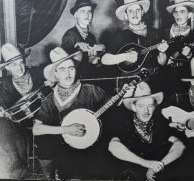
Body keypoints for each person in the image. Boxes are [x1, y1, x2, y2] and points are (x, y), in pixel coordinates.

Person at [32, 47, 126, 179]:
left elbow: (115, 105)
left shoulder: (91, 90)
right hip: (65, 147)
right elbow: (36, 129)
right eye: (62, 69)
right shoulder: (50, 99)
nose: (68, 73)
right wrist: (66, 129)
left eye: (71, 68)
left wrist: (127, 94)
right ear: (56, 74)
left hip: (92, 144)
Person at [108, 82, 185, 181]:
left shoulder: (159, 123)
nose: (146, 111)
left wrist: (158, 166)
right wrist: (147, 163)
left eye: (150, 106)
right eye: (141, 106)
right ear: (134, 107)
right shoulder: (125, 123)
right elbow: (113, 146)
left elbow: (179, 145)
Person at [0, 43, 46, 179]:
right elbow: (0, 104)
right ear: (7, 67)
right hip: (20, 125)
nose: (19, 67)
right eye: (14, 65)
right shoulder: (6, 84)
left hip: (45, 118)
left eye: (21, 62)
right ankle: (23, 171)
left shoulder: (38, 73)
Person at [101, 0, 168, 92]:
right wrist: (125, 56)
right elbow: (104, 59)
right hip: (131, 83)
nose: (135, 14)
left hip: (154, 80)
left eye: (137, 10)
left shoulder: (155, 33)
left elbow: (162, 63)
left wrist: (162, 52)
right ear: (126, 15)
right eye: (130, 11)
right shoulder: (120, 36)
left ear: (142, 12)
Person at [162, 0, 194, 98]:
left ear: (189, 15)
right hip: (166, 76)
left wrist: (189, 55)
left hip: (185, 76)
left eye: (182, 12)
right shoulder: (164, 33)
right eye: (176, 12)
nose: (178, 16)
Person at [61, 0, 106, 79]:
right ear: (76, 15)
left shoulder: (91, 37)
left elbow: (95, 62)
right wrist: (88, 60)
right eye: (82, 11)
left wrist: (97, 60)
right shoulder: (70, 35)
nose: (87, 15)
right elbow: (64, 63)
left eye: (89, 11)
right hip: (75, 81)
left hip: (90, 79)